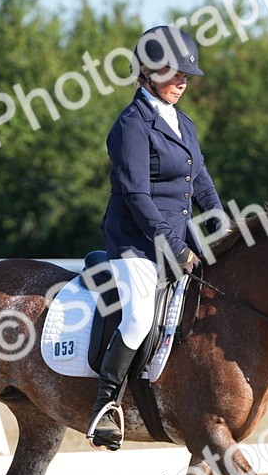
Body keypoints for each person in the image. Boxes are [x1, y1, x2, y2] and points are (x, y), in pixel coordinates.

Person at [87, 25, 228, 450]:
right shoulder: (131, 124)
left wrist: (223, 225)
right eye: (173, 74)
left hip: (178, 236)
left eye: (186, 76)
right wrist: (175, 246)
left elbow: (199, 181)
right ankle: (105, 406)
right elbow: (136, 195)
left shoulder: (183, 122)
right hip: (134, 242)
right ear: (147, 73)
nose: (182, 82)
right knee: (137, 317)